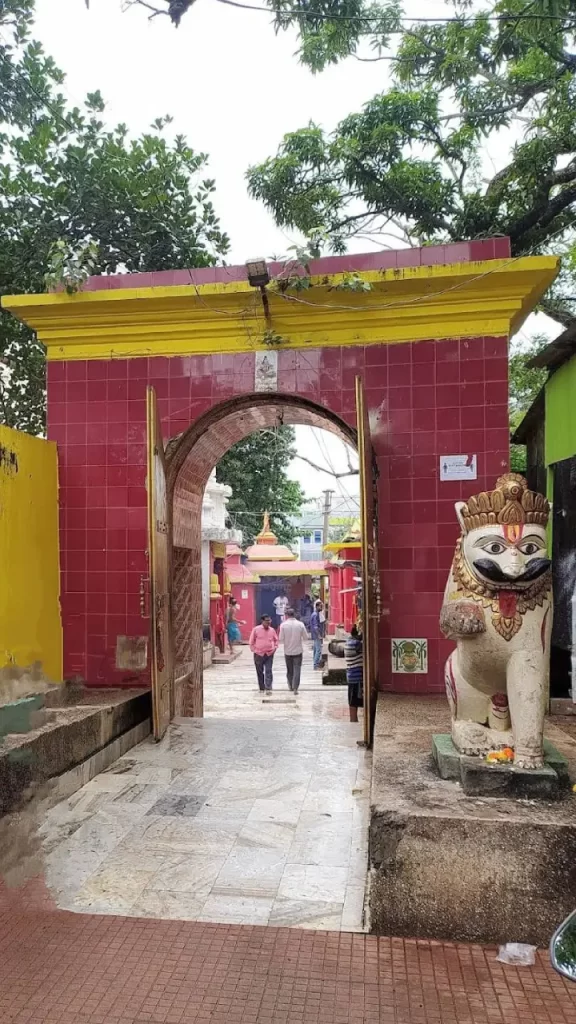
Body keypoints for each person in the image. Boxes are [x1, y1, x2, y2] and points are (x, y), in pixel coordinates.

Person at [279, 608, 309, 694]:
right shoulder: (300, 624)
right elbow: (306, 637)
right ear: (294, 614)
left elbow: (281, 639)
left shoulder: (283, 625)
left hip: (287, 651)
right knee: (297, 669)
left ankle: (290, 686)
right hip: (298, 650)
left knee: (289, 670)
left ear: (286, 615)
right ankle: (295, 688)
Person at [249, 614, 278, 694]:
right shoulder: (256, 629)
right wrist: (254, 650)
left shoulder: (272, 630)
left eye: (269, 621)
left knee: (268, 670)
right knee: (259, 671)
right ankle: (261, 687)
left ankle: (268, 687)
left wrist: (275, 648)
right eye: (266, 621)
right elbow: (251, 641)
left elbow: (276, 640)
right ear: (262, 621)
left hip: (269, 653)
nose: (268, 622)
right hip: (259, 654)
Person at [345, 625, 364, 723]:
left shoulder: (349, 641)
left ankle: (353, 721)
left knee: (352, 700)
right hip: (356, 676)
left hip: (351, 675)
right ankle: (353, 720)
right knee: (355, 700)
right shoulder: (356, 644)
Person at [310, 600, 326, 670]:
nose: (322, 608)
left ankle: (315, 663)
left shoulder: (316, 614)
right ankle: (316, 664)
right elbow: (315, 626)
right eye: (321, 606)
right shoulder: (315, 615)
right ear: (317, 606)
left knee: (316, 649)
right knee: (318, 650)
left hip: (316, 634)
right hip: (317, 635)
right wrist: (319, 635)